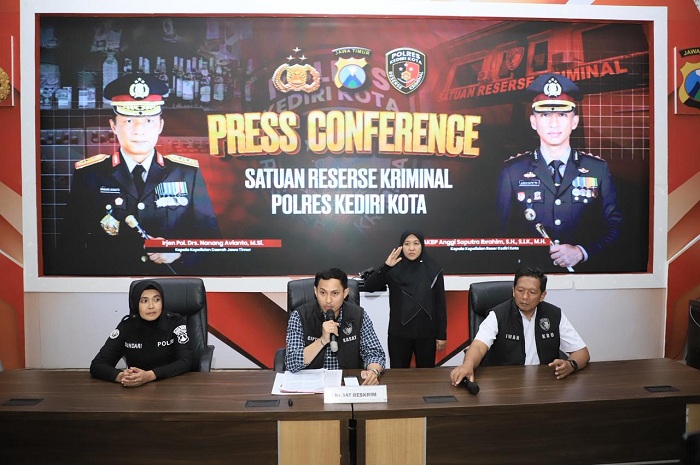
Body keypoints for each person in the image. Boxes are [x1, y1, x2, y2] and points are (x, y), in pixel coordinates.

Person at [63, 72, 220, 275]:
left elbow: (211, 241)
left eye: (148, 121)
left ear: (160, 126)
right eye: (129, 121)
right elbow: (70, 245)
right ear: (113, 126)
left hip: (170, 284)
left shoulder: (187, 174)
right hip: (111, 285)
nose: (139, 130)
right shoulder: (89, 175)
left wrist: (179, 252)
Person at [496, 73, 623, 272]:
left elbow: (616, 229)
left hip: (584, 280)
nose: (553, 123)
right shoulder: (513, 171)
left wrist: (582, 252)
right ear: (533, 122)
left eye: (562, 115)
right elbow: (500, 236)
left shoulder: (598, 169)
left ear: (574, 122)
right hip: (529, 281)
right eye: (545, 115)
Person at [450, 267, 590, 386]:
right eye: (520, 290)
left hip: (545, 384)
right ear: (513, 291)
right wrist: (467, 365)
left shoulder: (554, 314)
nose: (524, 297)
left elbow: (582, 353)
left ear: (542, 295)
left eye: (532, 292)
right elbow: (478, 346)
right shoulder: (498, 315)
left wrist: (571, 365)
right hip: (505, 384)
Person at [285, 268, 386, 385]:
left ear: (345, 293)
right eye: (323, 293)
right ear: (315, 291)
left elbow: (375, 354)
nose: (328, 300)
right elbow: (291, 363)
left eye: (335, 293)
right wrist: (322, 341)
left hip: (347, 384)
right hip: (311, 385)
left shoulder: (358, 315)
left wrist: (373, 371)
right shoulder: (300, 316)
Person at [364, 229, 447, 368]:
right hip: (399, 335)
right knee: (398, 377)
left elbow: (440, 304)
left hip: (427, 335)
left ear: (422, 245)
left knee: (426, 377)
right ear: (401, 246)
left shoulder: (434, 269)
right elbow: (369, 286)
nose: (411, 248)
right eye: (407, 244)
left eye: (416, 243)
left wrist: (441, 335)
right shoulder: (393, 269)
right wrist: (386, 266)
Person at [90, 280, 193, 387]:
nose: (151, 306)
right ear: (135, 303)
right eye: (144, 301)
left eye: (156, 300)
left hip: (171, 385)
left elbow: (186, 361)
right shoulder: (127, 326)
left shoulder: (175, 322)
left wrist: (150, 375)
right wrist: (122, 377)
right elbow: (97, 365)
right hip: (136, 388)